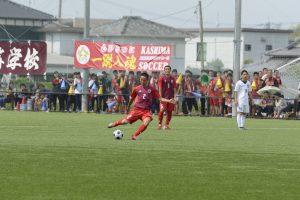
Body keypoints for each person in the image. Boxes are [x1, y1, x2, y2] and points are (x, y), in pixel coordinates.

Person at [107, 72, 175, 140]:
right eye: (141, 79)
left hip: (146, 111)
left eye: (144, 80)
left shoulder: (152, 89)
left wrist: (169, 101)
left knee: (147, 121)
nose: (142, 81)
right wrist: (128, 107)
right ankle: (114, 124)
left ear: (147, 80)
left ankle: (134, 136)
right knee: (125, 122)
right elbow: (132, 98)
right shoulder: (136, 89)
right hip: (136, 110)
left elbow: (160, 98)